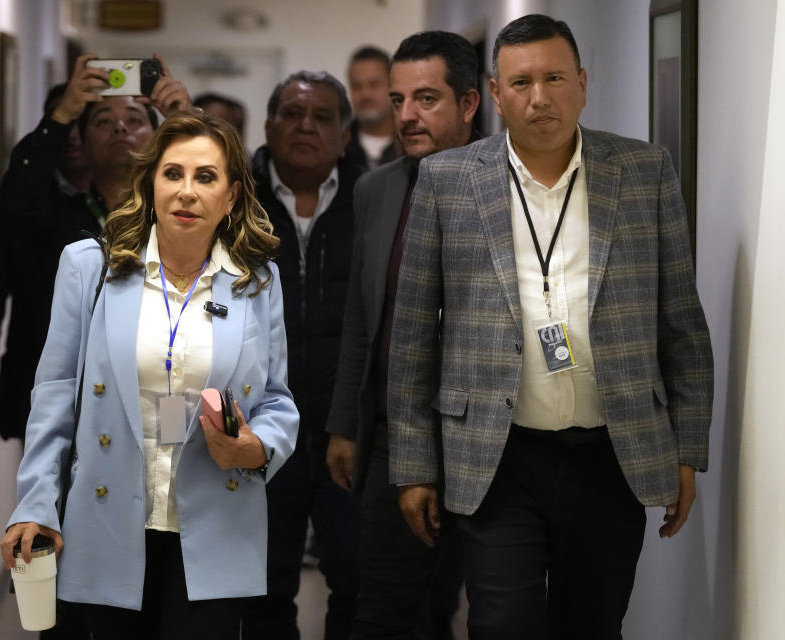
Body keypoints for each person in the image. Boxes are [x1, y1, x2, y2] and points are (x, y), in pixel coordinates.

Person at [388, 14, 713, 639]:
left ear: (583, 84)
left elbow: (683, 326)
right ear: (496, 95)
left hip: (612, 452)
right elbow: (411, 339)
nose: (541, 98)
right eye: (522, 83)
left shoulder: (644, 172)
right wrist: (414, 465)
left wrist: (687, 450)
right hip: (497, 452)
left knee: (592, 624)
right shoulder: (448, 181)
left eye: (556, 77)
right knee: (503, 622)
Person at [0, 110, 299, 639]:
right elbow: (54, 396)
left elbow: (276, 400)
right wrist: (35, 501)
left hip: (216, 519)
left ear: (230, 197)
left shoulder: (257, 281)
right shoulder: (90, 267)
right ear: (151, 184)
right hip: (111, 520)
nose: (186, 191)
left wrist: (256, 447)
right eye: (172, 173)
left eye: (205, 177)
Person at [325, 30, 481, 640]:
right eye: (397, 101)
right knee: (382, 610)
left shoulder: (503, 189)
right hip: (393, 439)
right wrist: (345, 422)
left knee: (470, 609)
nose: (407, 116)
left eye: (426, 99)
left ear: (468, 104)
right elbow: (363, 317)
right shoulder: (376, 190)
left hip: (484, 443)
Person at [0, 52, 190, 454]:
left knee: (168, 493)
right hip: (74, 409)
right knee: (63, 510)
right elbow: (17, 198)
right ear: (83, 143)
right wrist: (62, 114)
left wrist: (188, 122)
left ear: (157, 140)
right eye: (102, 121)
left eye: (135, 120)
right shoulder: (55, 219)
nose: (120, 126)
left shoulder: (184, 217)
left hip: (165, 398)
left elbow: (233, 202)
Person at [243, 71, 362, 640]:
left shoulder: (374, 196)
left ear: (344, 134)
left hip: (351, 434)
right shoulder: (232, 201)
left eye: (320, 117)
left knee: (359, 589)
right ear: (268, 127)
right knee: (262, 591)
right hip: (261, 433)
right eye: (291, 114)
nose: (305, 126)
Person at [345, 46, 402, 170]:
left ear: (392, 85)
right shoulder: (339, 145)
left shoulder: (411, 143)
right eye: (357, 86)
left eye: (374, 84)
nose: (365, 94)